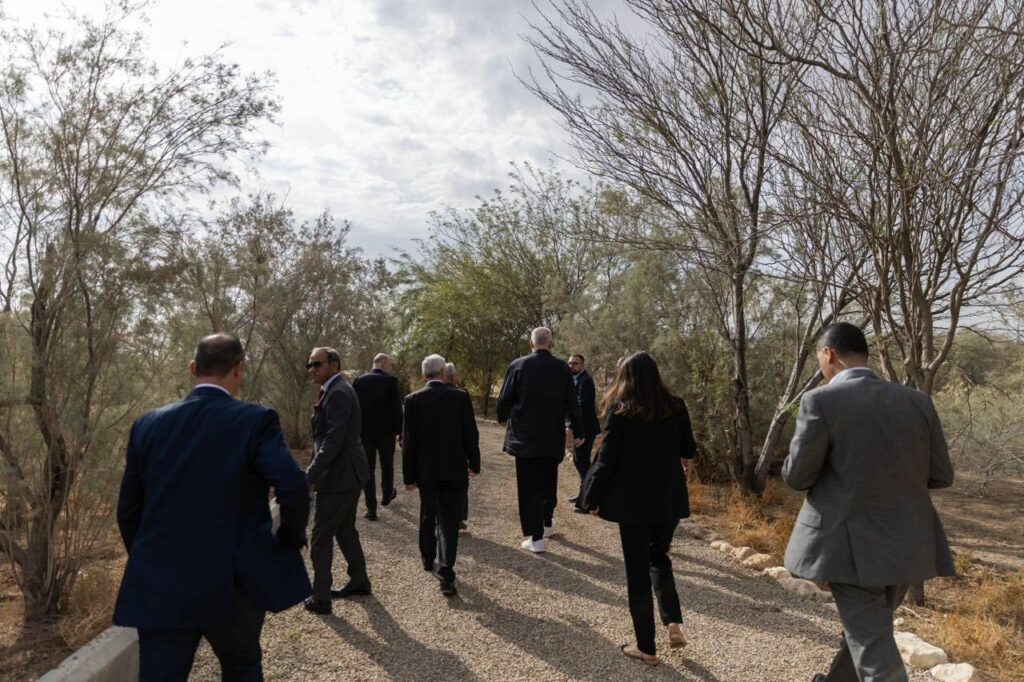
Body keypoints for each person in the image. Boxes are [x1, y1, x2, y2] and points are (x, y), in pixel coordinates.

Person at [114, 333, 311, 681]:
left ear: (193, 368)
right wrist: (288, 541)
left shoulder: (147, 424)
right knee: (241, 667)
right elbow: (293, 486)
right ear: (239, 369)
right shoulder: (255, 421)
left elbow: (128, 510)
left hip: (163, 581)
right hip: (234, 582)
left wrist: (152, 558)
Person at [783, 322, 955, 682]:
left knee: (873, 647)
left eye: (819, 359)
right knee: (868, 631)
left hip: (850, 547)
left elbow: (797, 477)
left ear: (828, 353)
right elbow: (941, 474)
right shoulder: (917, 401)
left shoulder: (821, 401)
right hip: (908, 544)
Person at [580, 351, 696, 667]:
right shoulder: (677, 406)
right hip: (669, 499)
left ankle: (647, 648)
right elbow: (689, 449)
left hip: (633, 504)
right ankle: (673, 621)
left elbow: (607, 459)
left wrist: (591, 498)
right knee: (659, 557)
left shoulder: (621, 411)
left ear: (626, 377)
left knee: (637, 571)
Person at [497, 326, 583, 553]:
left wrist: (502, 417)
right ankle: (547, 523)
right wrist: (579, 431)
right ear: (551, 344)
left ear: (531, 343)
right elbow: (573, 404)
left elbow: (504, 398)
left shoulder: (518, 365)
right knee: (548, 482)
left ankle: (536, 538)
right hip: (551, 437)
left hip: (525, 438)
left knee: (529, 488)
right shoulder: (563, 369)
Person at [402, 354, 481, 595]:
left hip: (426, 471)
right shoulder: (460, 397)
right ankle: (446, 571)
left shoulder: (413, 400)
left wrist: (408, 476)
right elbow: (471, 433)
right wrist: (474, 463)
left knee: (428, 512)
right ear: (443, 373)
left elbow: (409, 442)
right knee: (448, 520)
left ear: (424, 374)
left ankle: (428, 559)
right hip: (454, 469)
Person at [304, 346, 372, 615]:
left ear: (334, 364)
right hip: (346, 474)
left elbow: (333, 440)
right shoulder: (333, 390)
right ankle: (359, 581)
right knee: (344, 529)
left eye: (317, 364)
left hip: (340, 477)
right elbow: (324, 438)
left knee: (320, 537)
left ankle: (321, 598)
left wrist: (311, 474)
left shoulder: (339, 392)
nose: (312, 369)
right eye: (309, 364)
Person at [353, 353, 404, 520]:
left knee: (368, 469)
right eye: (389, 364)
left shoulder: (359, 381)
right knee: (387, 465)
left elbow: (354, 407)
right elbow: (396, 408)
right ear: (383, 363)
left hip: (364, 433)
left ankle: (371, 509)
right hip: (386, 433)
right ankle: (387, 495)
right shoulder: (390, 381)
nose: (390, 368)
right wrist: (401, 432)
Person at [567, 354, 601, 513]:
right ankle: (584, 493)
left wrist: (572, 427)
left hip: (585, 429)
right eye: (570, 363)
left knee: (582, 462)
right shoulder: (575, 379)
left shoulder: (585, 380)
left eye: (575, 363)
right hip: (580, 428)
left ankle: (588, 499)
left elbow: (582, 406)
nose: (571, 366)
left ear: (582, 364)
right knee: (579, 461)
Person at [444, 362, 471, 530]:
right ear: (454, 377)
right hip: (458, 448)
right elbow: (469, 428)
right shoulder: (462, 394)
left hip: (438, 448)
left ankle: (442, 516)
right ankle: (458, 517)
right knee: (460, 484)